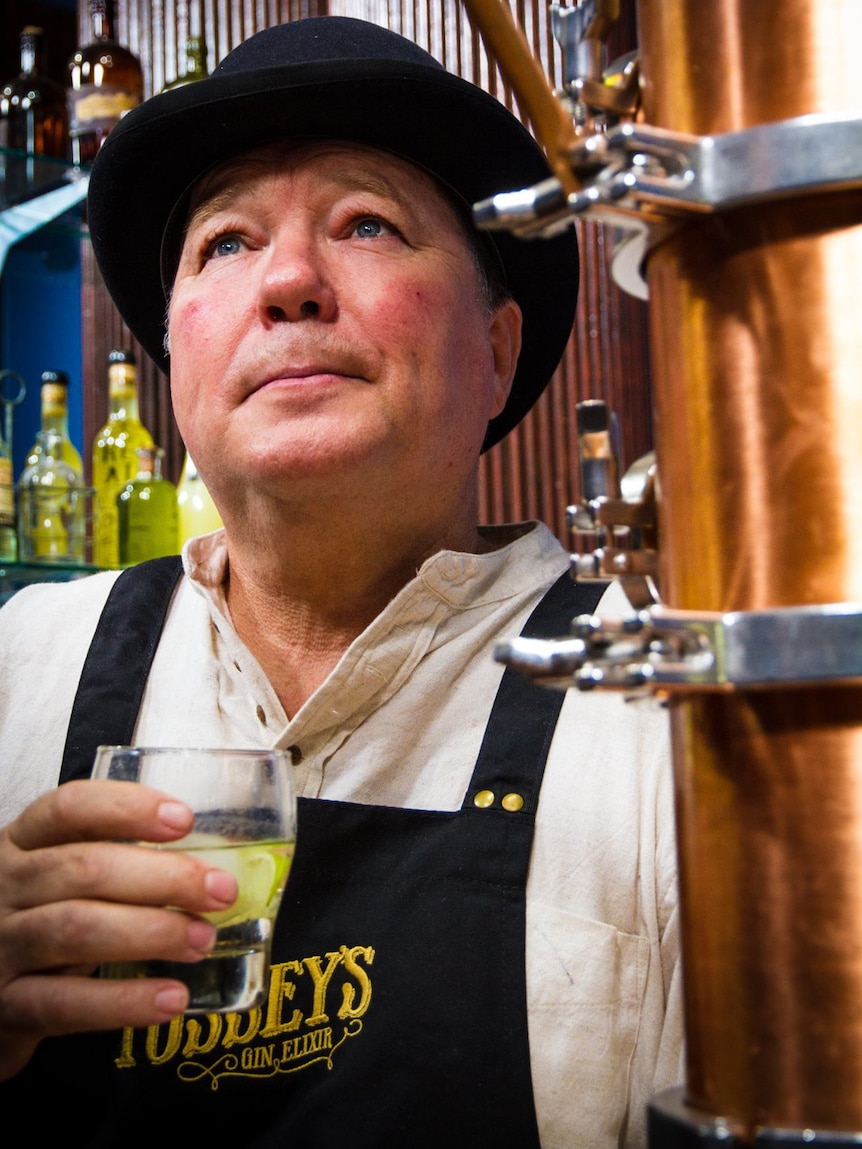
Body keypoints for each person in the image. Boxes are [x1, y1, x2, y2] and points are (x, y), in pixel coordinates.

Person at [0, 16, 682, 1147]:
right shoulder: (25, 664)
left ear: (497, 351)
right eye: (224, 243)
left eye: (368, 224)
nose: (290, 283)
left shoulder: (655, 706)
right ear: (174, 359)